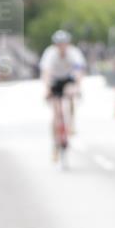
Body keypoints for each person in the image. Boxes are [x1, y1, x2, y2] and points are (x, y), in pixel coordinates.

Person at [39, 30, 86, 158]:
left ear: (68, 44)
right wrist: (47, 89)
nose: (61, 47)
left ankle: (71, 123)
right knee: (56, 112)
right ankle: (55, 143)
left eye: (64, 44)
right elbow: (46, 72)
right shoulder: (50, 53)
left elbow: (79, 70)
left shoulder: (74, 53)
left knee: (71, 96)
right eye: (59, 44)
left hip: (68, 79)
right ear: (55, 45)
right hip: (55, 80)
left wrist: (77, 87)